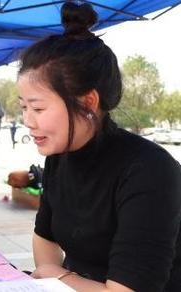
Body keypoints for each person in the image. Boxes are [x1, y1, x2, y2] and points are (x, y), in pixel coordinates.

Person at [18, 3, 181, 291]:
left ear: (87, 102)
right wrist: (49, 277)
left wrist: (61, 277)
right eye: (23, 107)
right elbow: (45, 236)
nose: (28, 121)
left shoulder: (149, 170)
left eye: (38, 108)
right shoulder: (60, 157)